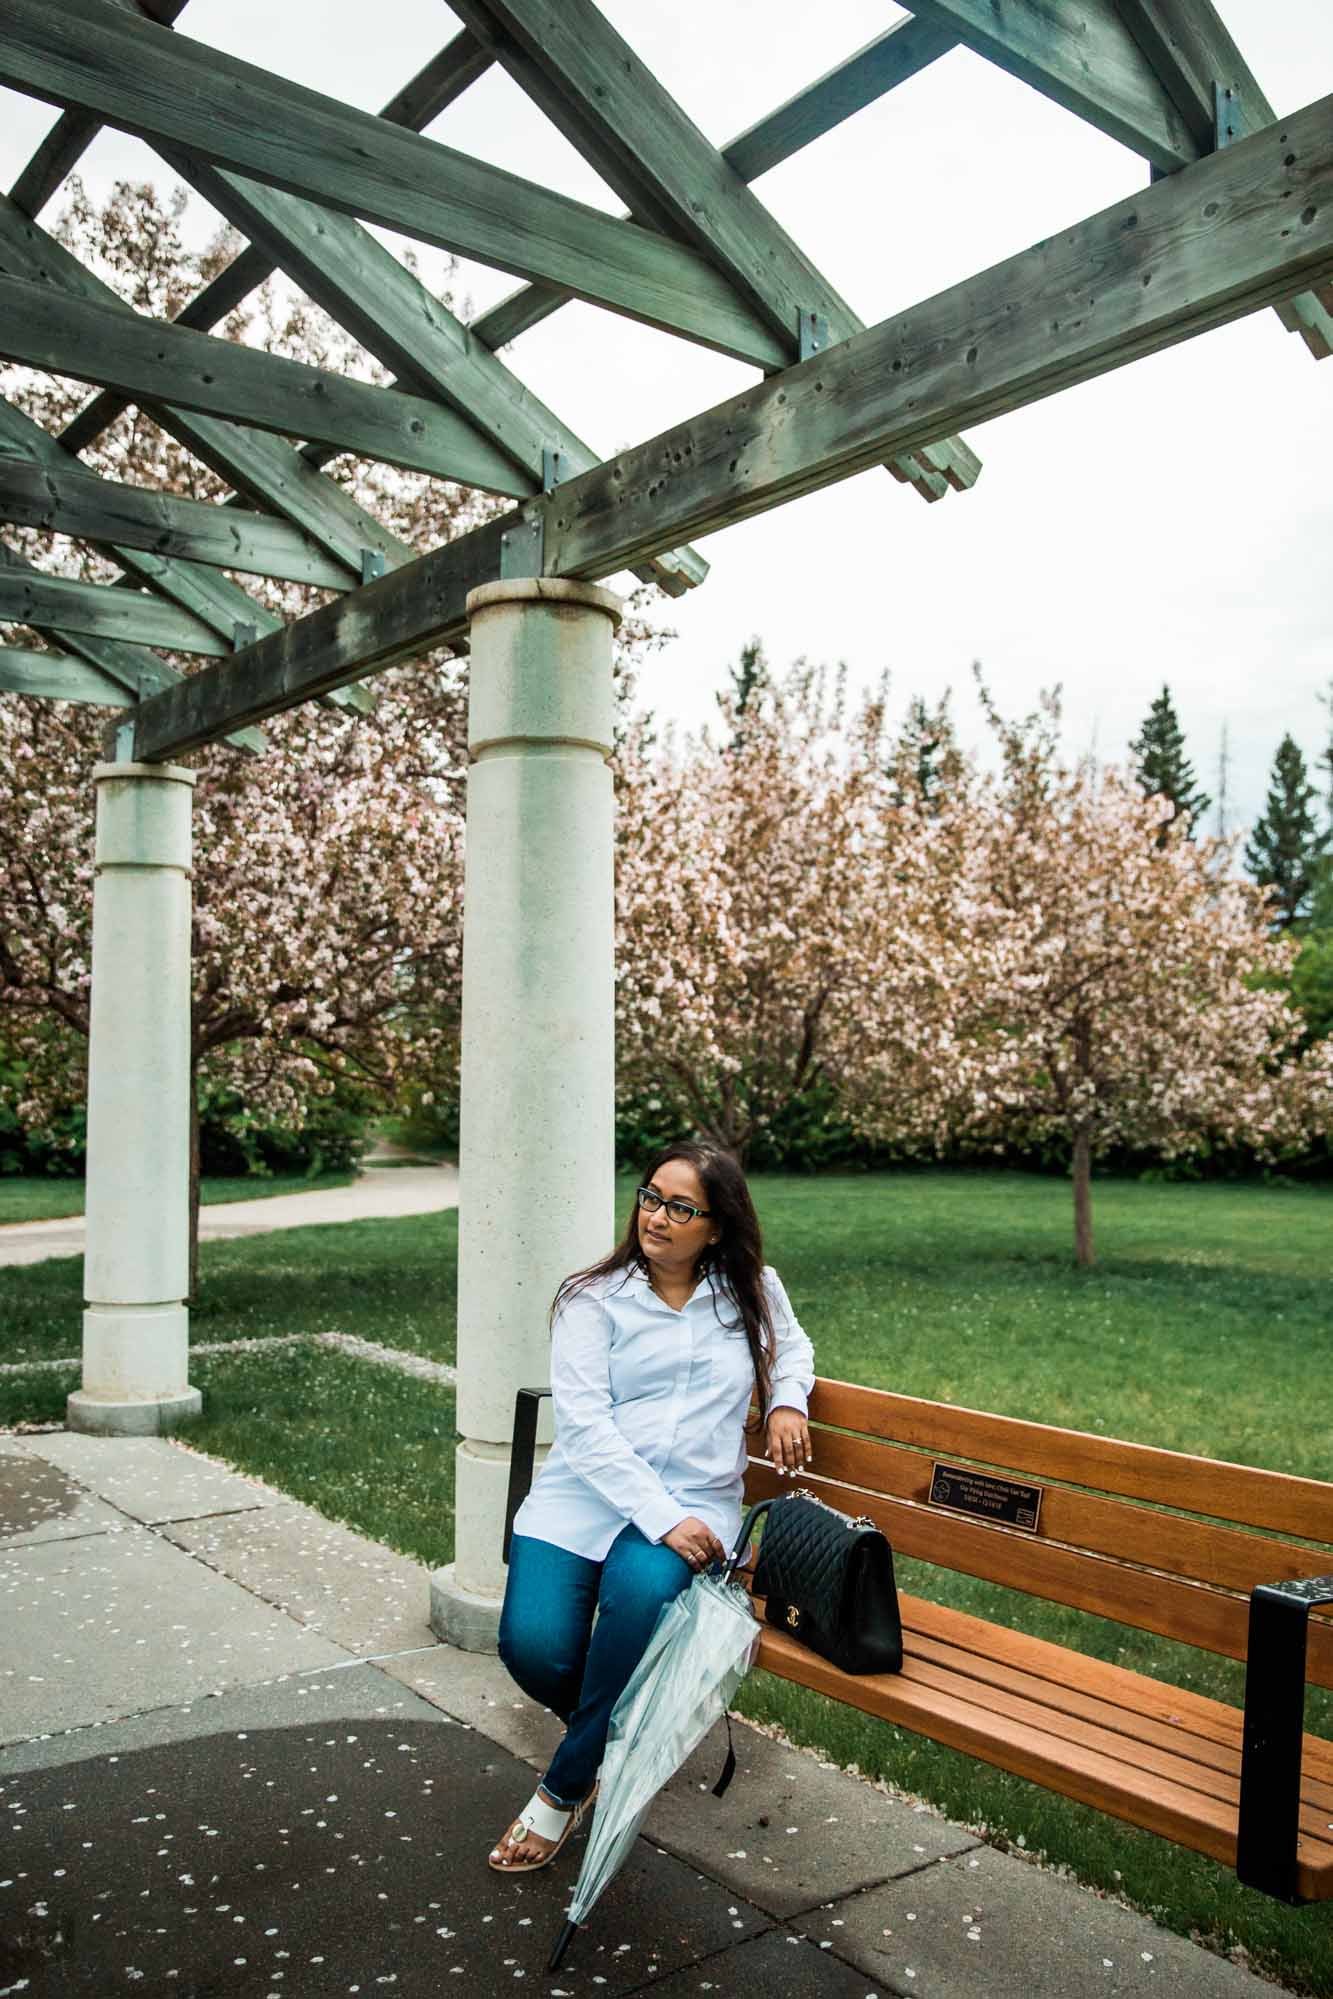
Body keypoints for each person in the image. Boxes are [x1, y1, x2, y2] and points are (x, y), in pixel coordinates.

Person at [489, 1140, 815, 1872]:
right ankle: (624, 1740)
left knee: (638, 1596)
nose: (655, 1216)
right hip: (586, 1496)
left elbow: (792, 1348)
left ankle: (562, 1789)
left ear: (717, 1226)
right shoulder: (590, 1297)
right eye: (649, 1197)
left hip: (698, 1501)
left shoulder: (752, 1290)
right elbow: (585, 1426)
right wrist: (660, 1515)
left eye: (679, 1206)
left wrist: (787, 1400)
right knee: (532, 1647)